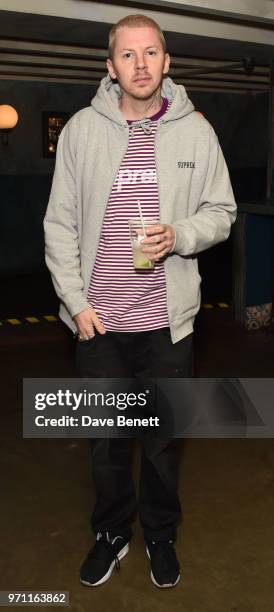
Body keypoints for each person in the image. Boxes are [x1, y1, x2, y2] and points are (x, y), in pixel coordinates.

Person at [44, 14, 237, 588]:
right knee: (107, 443)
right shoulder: (81, 130)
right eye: (127, 55)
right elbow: (59, 224)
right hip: (98, 324)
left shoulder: (196, 134)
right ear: (110, 67)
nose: (140, 64)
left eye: (151, 52)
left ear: (167, 61)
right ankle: (111, 533)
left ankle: (159, 534)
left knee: (160, 443)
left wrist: (179, 235)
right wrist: (75, 302)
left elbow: (221, 213)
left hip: (165, 326)